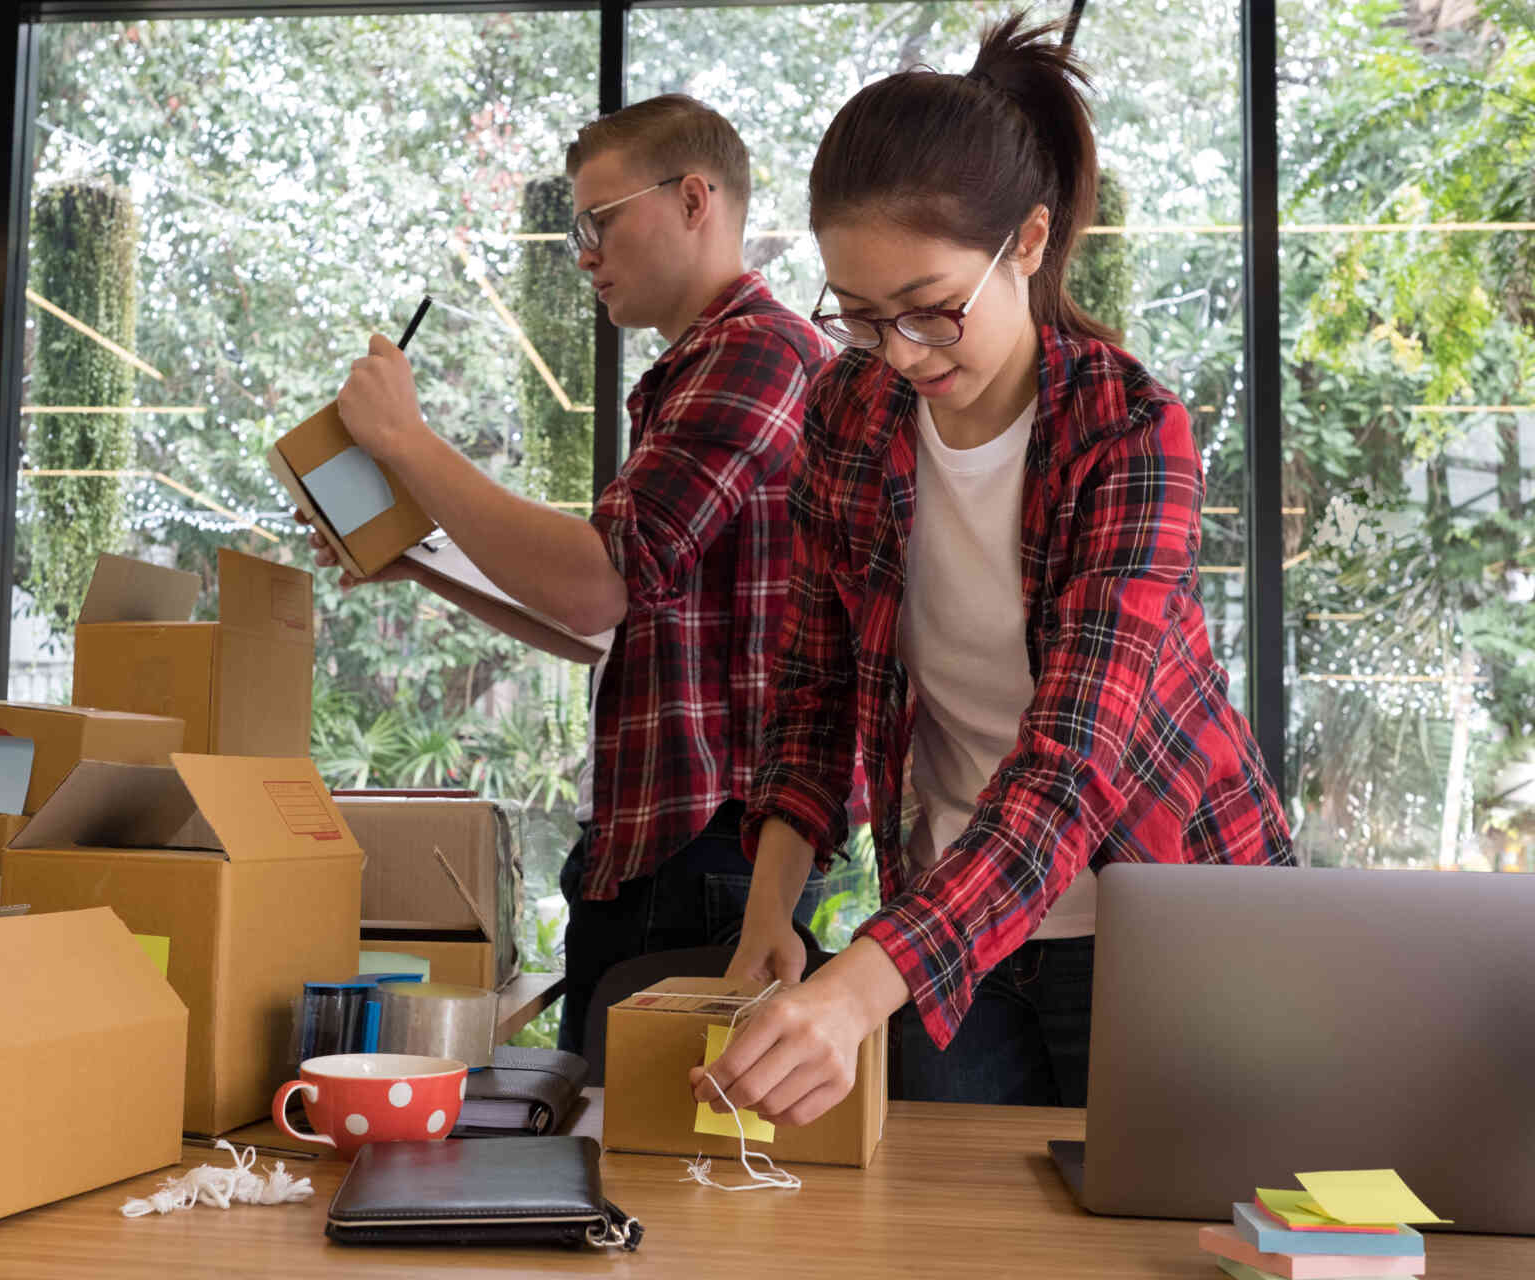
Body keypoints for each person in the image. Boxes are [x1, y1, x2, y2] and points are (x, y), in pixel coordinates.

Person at [695, 14, 1293, 1123]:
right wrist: (771, 904)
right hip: (946, 926)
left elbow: (1072, 766)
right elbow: (816, 686)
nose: (902, 353)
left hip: (1163, 914)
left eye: (933, 310)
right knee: (943, 1209)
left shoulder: (1127, 432)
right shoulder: (849, 411)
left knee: (1160, 1204)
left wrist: (857, 986)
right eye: (863, 317)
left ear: (1027, 241)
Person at [311, 95, 831, 1057]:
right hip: (672, 848)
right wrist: (416, 558)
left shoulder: (757, 351)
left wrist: (409, 442)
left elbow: (597, 584)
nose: (584, 255)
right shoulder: (698, 368)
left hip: (709, 852)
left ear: (693, 200)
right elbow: (597, 624)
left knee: (641, 1135)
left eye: (599, 222)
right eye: (574, 231)